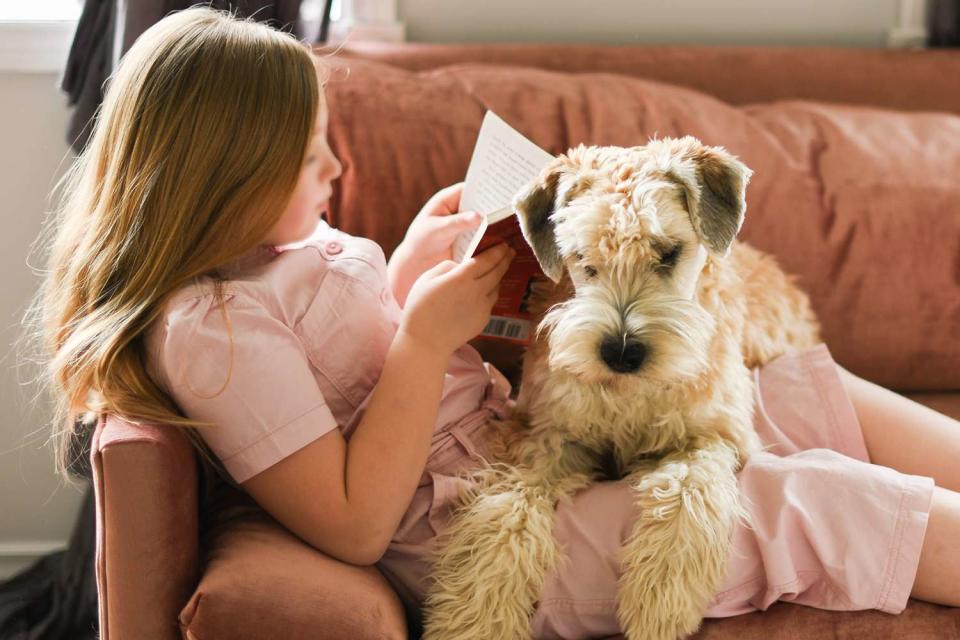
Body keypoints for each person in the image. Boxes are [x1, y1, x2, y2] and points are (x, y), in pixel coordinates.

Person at [31, 6, 959, 638]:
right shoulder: (210, 333)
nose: (333, 173)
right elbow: (354, 527)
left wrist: (402, 277)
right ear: (228, 178)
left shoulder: (287, 254)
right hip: (468, 527)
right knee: (813, 497)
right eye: (311, 158)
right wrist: (428, 339)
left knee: (811, 393)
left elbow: (347, 357)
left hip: (516, 444)